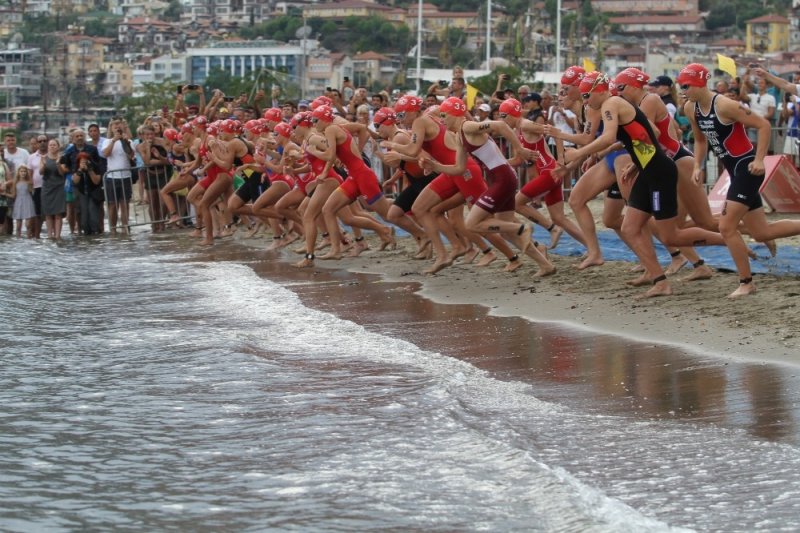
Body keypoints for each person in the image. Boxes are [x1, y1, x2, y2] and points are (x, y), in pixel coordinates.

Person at [563, 71, 725, 298]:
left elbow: (623, 137)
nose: (585, 99)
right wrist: (635, 162)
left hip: (664, 167)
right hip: (644, 166)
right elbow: (649, 133)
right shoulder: (608, 105)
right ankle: (659, 278)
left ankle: (726, 241)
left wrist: (582, 152)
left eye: (586, 94)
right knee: (625, 225)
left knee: (679, 229)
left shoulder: (621, 102)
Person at [680, 62, 800, 298]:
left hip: (748, 169)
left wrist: (759, 159)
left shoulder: (725, 104)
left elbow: (764, 125)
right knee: (761, 233)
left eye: (686, 85)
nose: (683, 90)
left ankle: (746, 282)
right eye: (680, 86)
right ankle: (750, 273)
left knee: (726, 227)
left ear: (700, 83)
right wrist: (697, 165)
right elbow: (701, 141)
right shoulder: (690, 108)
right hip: (734, 170)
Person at [420, 97, 555, 277]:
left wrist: (520, 149)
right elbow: (459, 168)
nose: (442, 120)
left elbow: (501, 126)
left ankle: (521, 228)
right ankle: (545, 265)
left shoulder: (467, 126)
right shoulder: (459, 135)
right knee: (504, 230)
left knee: (472, 224)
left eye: (444, 115)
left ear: (456, 114)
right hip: (500, 178)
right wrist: (434, 166)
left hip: (503, 179)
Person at [101, 118, 136, 235]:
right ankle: (113, 228)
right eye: (114, 125)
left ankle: (125, 227)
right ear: (111, 128)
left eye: (119, 124)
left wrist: (124, 141)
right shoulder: (107, 141)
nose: (117, 127)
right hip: (112, 177)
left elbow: (131, 155)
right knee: (112, 204)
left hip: (125, 176)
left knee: (125, 203)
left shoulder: (128, 141)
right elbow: (105, 154)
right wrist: (113, 141)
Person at [39, 139, 66, 240]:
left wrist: (58, 163)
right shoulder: (44, 158)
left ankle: (58, 235)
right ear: (48, 147)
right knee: (48, 213)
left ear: (58, 147)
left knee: (58, 213)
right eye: (50, 145)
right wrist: (44, 164)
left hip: (59, 187)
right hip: (47, 187)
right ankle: (50, 235)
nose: (52, 147)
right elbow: (41, 172)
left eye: (54, 145)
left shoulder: (62, 157)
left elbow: (62, 173)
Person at [72, 152, 104, 235]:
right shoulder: (76, 167)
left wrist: (90, 170)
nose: (84, 163)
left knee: (93, 213)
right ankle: (86, 233)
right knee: (84, 216)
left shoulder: (95, 167)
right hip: (82, 192)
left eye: (85, 161)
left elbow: (96, 181)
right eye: (81, 161)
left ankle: (96, 232)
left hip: (94, 192)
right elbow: (75, 181)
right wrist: (80, 170)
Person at [11, 165, 35, 237]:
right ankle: (18, 241)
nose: (23, 173)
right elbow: (13, 195)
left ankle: (28, 239)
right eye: (21, 171)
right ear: (18, 172)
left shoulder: (29, 182)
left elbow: (32, 191)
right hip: (18, 203)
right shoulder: (15, 182)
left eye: (24, 171)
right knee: (18, 226)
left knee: (28, 225)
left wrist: (31, 186)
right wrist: (4, 193)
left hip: (27, 202)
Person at [0, 151, 12, 235]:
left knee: (1, 221)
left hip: (2, 196)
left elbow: (10, 180)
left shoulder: (3, 164)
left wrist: (5, 184)